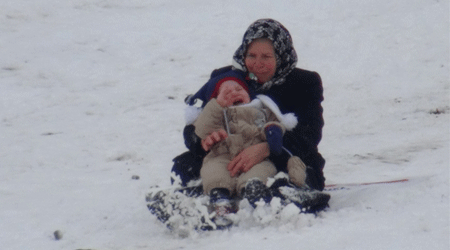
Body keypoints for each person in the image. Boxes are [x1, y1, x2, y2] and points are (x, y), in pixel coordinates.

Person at [173, 18, 326, 194]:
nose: (257, 64)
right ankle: (210, 193)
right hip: (228, 154)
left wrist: (267, 148)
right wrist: (204, 140)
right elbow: (197, 123)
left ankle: (282, 194)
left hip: (280, 155)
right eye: (251, 55)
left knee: (299, 171)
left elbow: (310, 133)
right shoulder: (227, 78)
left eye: (266, 57)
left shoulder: (304, 82)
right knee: (184, 166)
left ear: (281, 56)